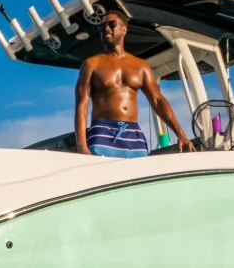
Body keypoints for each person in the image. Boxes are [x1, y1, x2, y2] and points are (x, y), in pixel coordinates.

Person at [74, 8, 194, 157]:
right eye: (102, 26)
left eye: (111, 24)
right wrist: (82, 147)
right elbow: (81, 106)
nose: (106, 28)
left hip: (133, 135)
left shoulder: (140, 65)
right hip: (102, 133)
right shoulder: (91, 64)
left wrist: (181, 134)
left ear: (124, 29)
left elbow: (157, 100)